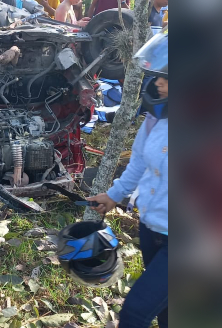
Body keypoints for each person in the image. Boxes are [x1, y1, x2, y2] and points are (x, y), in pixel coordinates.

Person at [88, 32, 168, 328]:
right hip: (152, 228)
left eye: (167, 78)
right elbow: (137, 164)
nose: (157, 84)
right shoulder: (156, 118)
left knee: (135, 312)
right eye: (157, 76)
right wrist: (113, 196)